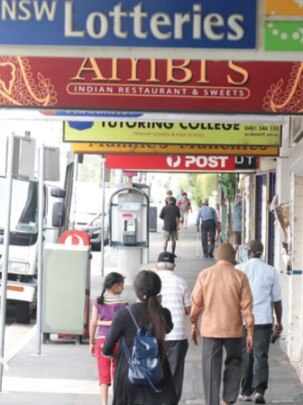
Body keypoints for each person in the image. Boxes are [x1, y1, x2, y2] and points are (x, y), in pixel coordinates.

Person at [190, 242, 254, 405]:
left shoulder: (205, 274)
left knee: (210, 368)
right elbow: (247, 308)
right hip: (233, 330)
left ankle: (212, 402)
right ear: (233, 258)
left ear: (216, 257)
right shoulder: (240, 277)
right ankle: (228, 400)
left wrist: (193, 323)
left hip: (210, 331)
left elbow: (196, 303)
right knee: (235, 361)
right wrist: (251, 332)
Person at [102, 270, 177, 405]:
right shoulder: (163, 313)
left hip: (129, 375)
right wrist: (159, 305)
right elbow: (169, 328)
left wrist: (118, 355)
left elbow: (106, 349)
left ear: (136, 291)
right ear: (158, 291)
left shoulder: (123, 314)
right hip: (158, 373)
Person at [236, 240, 283, 404]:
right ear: (261, 253)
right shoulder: (271, 271)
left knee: (246, 354)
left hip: (243, 320)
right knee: (261, 355)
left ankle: (246, 391)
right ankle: (259, 391)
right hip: (263, 320)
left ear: (248, 252)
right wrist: (279, 321)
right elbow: (277, 300)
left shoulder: (239, 270)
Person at [156, 251, 191, 402]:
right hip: (177, 335)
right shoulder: (181, 282)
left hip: (156, 335)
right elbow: (189, 309)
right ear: (174, 266)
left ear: (157, 266)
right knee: (175, 373)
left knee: (155, 369)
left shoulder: (152, 282)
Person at [89, 272, 128, 405]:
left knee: (103, 374)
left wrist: (91, 342)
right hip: (119, 341)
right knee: (117, 373)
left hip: (102, 340)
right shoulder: (123, 302)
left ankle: (104, 403)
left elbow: (93, 323)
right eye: (122, 285)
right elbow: (126, 323)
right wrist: (114, 323)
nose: (123, 288)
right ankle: (117, 401)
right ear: (116, 286)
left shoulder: (98, 301)